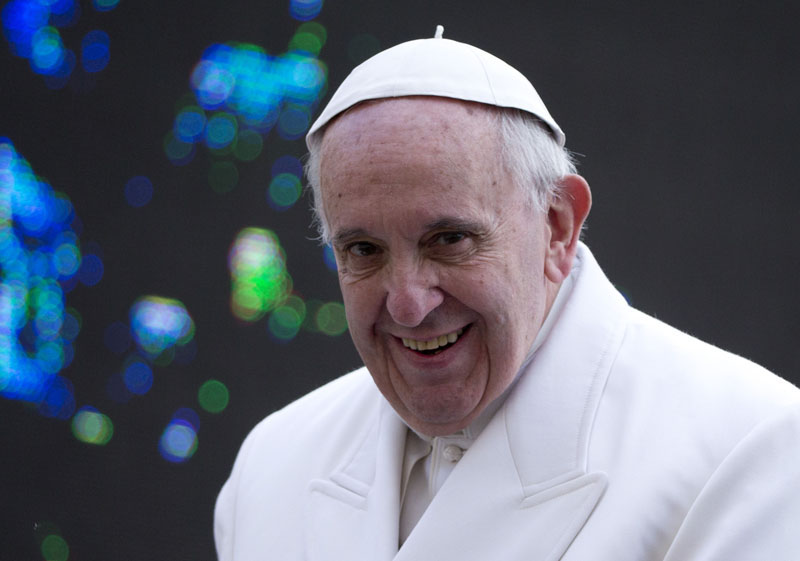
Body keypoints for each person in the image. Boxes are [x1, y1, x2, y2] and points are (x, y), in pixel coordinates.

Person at [214, 28, 800, 560]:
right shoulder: (273, 467)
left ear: (557, 226)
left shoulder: (750, 453)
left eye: (449, 239)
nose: (408, 305)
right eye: (364, 251)